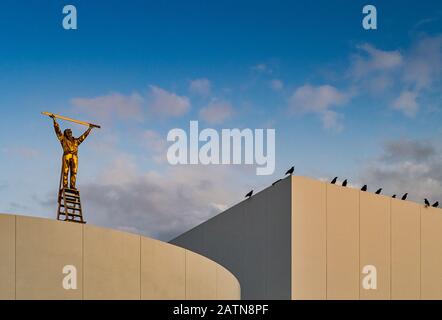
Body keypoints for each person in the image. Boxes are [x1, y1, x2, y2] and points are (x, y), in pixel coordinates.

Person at [51, 114, 93, 190]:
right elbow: (58, 131)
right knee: (66, 171)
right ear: (66, 133)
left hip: (75, 156)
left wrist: (89, 129)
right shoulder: (63, 139)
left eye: (70, 132)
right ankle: (65, 185)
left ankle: (72, 186)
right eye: (68, 132)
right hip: (67, 155)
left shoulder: (76, 141)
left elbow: (83, 137)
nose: (70, 133)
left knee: (74, 172)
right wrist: (54, 121)